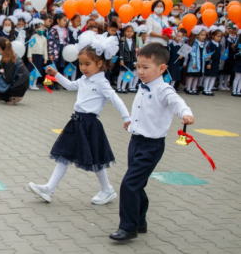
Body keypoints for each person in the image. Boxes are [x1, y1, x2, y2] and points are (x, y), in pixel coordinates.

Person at [28, 31, 131, 204]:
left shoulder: (102, 82)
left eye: (87, 64)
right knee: (64, 155)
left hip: (90, 124)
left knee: (96, 159)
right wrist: (56, 74)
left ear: (99, 63)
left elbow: (116, 99)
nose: (83, 67)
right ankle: (49, 189)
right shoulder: (84, 79)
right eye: (81, 64)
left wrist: (127, 117)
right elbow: (69, 86)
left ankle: (107, 189)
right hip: (76, 122)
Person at [110, 43, 195, 241]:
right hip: (136, 141)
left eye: (145, 67)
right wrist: (131, 124)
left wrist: (186, 114)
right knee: (137, 184)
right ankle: (140, 222)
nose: (140, 71)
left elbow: (177, 103)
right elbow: (143, 111)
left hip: (152, 146)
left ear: (162, 68)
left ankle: (128, 227)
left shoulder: (164, 90)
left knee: (129, 184)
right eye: (138, 66)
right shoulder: (142, 86)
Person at [0, 37, 29, 105]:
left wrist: (2, 73)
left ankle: (14, 97)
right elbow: (2, 66)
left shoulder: (8, 58)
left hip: (18, 86)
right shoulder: (10, 54)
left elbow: (8, 79)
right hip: (22, 82)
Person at [185, 25, 208, 95]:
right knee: (191, 76)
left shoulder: (204, 44)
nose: (203, 36)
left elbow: (204, 52)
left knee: (197, 76)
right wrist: (194, 62)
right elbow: (192, 53)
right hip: (194, 62)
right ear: (197, 35)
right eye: (202, 35)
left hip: (201, 62)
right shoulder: (195, 43)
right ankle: (188, 88)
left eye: (204, 35)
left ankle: (194, 88)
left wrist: (207, 57)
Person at [48, 13, 69, 90]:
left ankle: (56, 83)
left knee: (59, 67)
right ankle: (48, 83)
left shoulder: (65, 30)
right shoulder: (53, 29)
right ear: (58, 20)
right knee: (52, 67)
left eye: (66, 21)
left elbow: (67, 41)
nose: (65, 22)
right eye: (63, 20)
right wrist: (50, 53)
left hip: (62, 50)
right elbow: (50, 41)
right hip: (55, 50)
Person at [27, 19, 48, 90]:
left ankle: (35, 84)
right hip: (33, 56)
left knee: (37, 71)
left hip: (40, 56)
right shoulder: (33, 37)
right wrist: (29, 56)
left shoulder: (44, 38)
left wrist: (45, 58)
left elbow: (45, 49)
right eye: (40, 28)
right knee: (32, 70)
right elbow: (30, 47)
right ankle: (30, 84)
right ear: (36, 29)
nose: (42, 30)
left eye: (43, 28)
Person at [117, 23, 137, 94]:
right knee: (122, 73)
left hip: (130, 60)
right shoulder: (122, 41)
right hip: (124, 60)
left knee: (128, 74)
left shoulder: (134, 41)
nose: (129, 33)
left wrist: (135, 61)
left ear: (133, 33)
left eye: (131, 31)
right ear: (125, 32)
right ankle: (119, 87)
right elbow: (121, 51)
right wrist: (121, 59)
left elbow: (134, 52)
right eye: (128, 31)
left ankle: (123, 87)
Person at [203, 26, 223, 96]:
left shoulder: (219, 45)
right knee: (208, 76)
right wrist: (208, 62)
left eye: (220, 37)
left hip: (216, 63)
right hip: (211, 62)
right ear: (213, 36)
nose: (219, 38)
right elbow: (208, 54)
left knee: (213, 77)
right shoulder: (210, 44)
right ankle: (205, 89)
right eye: (217, 36)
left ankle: (209, 89)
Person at [67, 14, 81, 81]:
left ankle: (73, 80)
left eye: (79, 21)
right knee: (67, 66)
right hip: (69, 50)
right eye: (77, 21)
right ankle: (66, 79)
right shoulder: (68, 30)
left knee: (74, 66)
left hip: (76, 51)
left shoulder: (79, 32)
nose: (79, 23)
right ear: (72, 21)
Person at [230, 30, 241, 97]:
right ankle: (234, 91)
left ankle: (238, 91)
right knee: (237, 78)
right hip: (238, 63)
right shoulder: (238, 45)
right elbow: (235, 55)